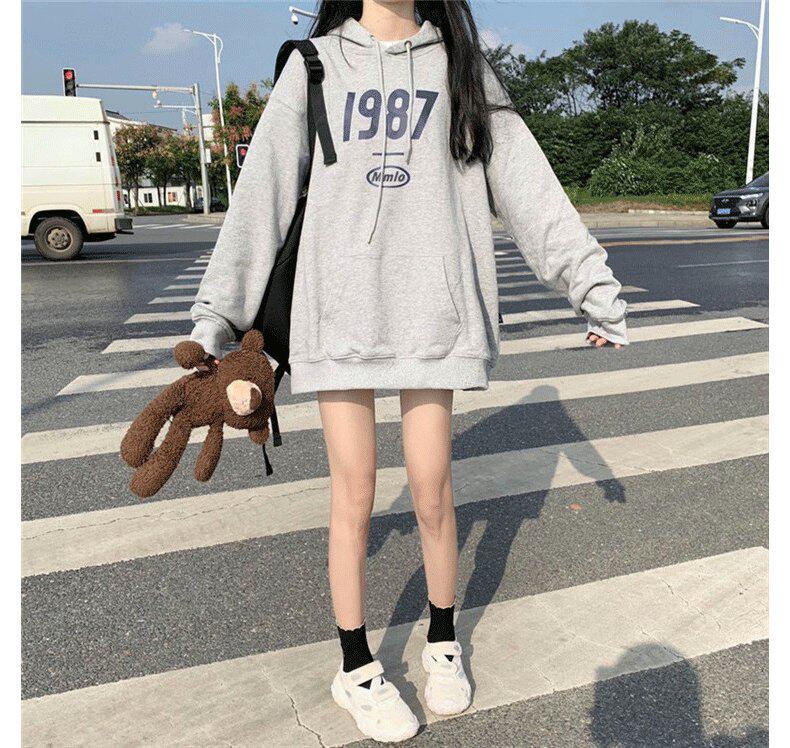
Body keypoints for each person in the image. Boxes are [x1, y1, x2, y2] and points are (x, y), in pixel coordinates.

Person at [189, 0, 627, 742]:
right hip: (338, 314)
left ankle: (443, 638)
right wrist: (216, 320)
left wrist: (590, 284)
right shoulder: (314, 67)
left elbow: (526, 182)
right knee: (354, 494)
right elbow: (261, 197)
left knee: (431, 489)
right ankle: (356, 666)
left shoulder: (461, 68)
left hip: (432, 313)